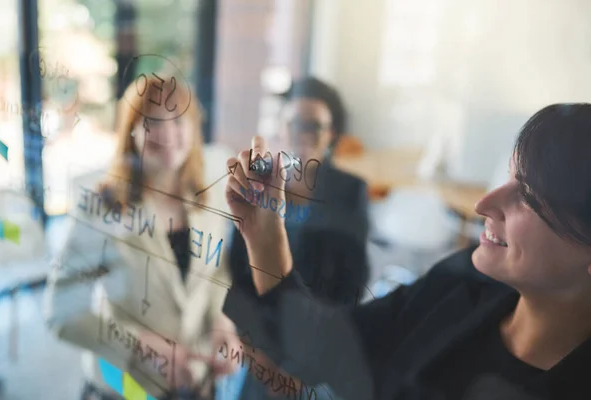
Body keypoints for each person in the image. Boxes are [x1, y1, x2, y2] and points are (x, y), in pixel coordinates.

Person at [222, 103, 591, 400]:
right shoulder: (462, 287)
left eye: (526, 196)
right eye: (509, 178)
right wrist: (265, 235)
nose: (483, 204)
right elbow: (333, 347)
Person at [44, 73, 241, 400]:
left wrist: (223, 324)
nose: (166, 134)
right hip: (126, 386)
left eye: (178, 120)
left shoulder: (210, 197)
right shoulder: (103, 206)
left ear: (194, 129)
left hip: (195, 383)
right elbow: (61, 311)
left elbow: (215, 274)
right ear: (130, 130)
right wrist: (138, 344)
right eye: (152, 121)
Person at [227, 78, 370, 399]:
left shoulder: (350, 191)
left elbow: (351, 287)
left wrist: (305, 366)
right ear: (280, 127)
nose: (303, 135)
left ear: (331, 134)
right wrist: (256, 357)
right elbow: (236, 276)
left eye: (314, 126)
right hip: (261, 351)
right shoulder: (258, 184)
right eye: (295, 124)